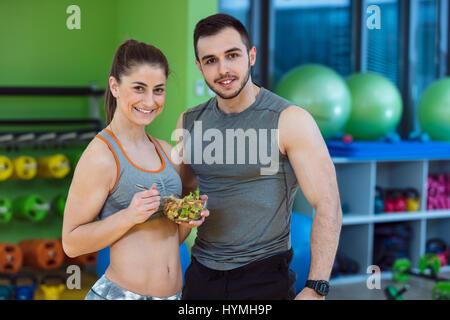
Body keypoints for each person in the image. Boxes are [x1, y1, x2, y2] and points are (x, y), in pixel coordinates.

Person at [176, 14, 342, 300]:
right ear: (199, 67)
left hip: (263, 277)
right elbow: (182, 193)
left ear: (251, 56)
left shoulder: (289, 120)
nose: (223, 69)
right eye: (211, 60)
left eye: (232, 55)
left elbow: (328, 204)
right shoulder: (189, 121)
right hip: (201, 273)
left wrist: (317, 288)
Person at [61, 39, 208, 300]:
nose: (150, 101)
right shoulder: (101, 156)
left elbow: (168, 240)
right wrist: (130, 215)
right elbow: (71, 243)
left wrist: (187, 220)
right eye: (139, 88)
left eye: (158, 90)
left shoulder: (165, 151)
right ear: (115, 86)